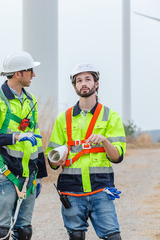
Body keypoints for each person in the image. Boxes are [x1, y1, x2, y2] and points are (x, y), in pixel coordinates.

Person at [46, 62, 126, 240]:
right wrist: (55, 160)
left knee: (113, 237)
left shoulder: (111, 117)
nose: (84, 83)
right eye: (79, 80)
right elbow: (51, 157)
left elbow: (117, 156)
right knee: (75, 237)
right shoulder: (63, 118)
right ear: (74, 86)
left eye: (88, 79)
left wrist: (104, 141)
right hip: (72, 190)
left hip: (100, 189)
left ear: (96, 84)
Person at [0, 51, 48, 240]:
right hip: (4, 173)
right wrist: (16, 137)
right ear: (18, 73)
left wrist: (39, 175)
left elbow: (36, 138)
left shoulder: (30, 101)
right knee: (2, 231)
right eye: (30, 70)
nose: (34, 75)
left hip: (28, 174)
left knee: (24, 231)